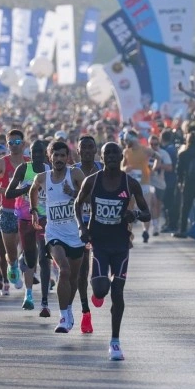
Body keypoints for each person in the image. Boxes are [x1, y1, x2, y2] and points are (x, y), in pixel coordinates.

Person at [75, 142, 151, 360]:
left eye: (114, 153)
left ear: (121, 157)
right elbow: (77, 204)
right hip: (99, 243)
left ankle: (115, 342)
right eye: (106, 153)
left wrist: (134, 215)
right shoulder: (92, 181)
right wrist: (82, 228)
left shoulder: (130, 183)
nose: (110, 156)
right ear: (102, 157)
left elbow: (147, 213)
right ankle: (97, 289)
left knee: (117, 292)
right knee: (101, 290)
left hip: (120, 245)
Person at [28, 141, 86, 333]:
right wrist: (34, 211)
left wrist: (74, 193)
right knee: (64, 270)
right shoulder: (42, 177)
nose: (59, 159)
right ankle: (62, 317)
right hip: (54, 233)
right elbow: (33, 189)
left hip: (75, 233)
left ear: (67, 157)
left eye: (63, 155)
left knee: (74, 277)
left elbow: (89, 195)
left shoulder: (75, 174)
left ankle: (68, 310)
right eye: (56, 155)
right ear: (50, 157)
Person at [5, 140, 51, 314]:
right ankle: (28, 291)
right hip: (25, 218)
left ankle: (43, 301)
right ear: (30, 154)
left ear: (45, 154)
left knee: (44, 257)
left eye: (40, 152)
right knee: (31, 260)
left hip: (44, 217)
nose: (37, 155)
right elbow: (9, 193)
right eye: (34, 152)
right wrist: (26, 189)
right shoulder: (24, 169)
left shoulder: (50, 169)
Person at [0, 130, 29, 291]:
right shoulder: (2, 163)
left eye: (17, 142)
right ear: (7, 145)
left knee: (27, 246)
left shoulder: (29, 163)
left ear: (23, 144)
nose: (14, 145)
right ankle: (13, 265)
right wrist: (4, 191)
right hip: (7, 211)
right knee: (10, 252)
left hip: (26, 212)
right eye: (11, 143)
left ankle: (23, 263)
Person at [74, 136, 102, 333]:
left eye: (90, 147)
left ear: (95, 150)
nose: (86, 151)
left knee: (99, 265)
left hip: (100, 223)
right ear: (78, 150)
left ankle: (99, 289)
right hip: (79, 224)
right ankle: (85, 312)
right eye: (83, 147)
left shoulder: (103, 169)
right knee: (82, 269)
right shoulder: (72, 172)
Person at [173, 132, 195, 238]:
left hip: (189, 183)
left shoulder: (183, 154)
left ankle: (183, 230)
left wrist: (180, 182)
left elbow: (179, 170)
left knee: (185, 208)